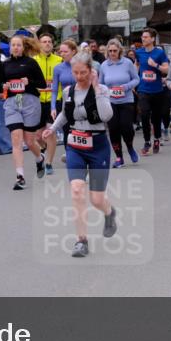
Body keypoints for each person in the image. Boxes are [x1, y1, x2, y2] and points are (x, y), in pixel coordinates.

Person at [42, 52, 118, 257]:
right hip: (75, 145)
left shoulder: (102, 90)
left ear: (91, 71)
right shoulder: (69, 91)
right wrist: (54, 128)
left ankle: (110, 213)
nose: (79, 76)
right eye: (75, 72)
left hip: (98, 146)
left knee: (96, 199)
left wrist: (95, 88)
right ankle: (81, 241)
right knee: (76, 191)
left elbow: (106, 115)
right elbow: (65, 114)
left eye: (83, 72)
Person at [2, 35, 48, 190]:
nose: (15, 47)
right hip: (12, 102)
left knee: (29, 141)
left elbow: (41, 84)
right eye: (13, 45)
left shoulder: (31, 63)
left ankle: (39, 157)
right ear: (10, 47)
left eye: (18, 45)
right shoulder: (5, 64)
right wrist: (4, 86)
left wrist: (29, 82)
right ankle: (20, 176)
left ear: (23, 47)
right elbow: (0, 84)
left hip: (30, 102)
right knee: (16, 139)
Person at [98, 39, 139, 167]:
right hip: (111, 102)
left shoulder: (127, 63)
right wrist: (104, 93)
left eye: (115, 50)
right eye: (110, 51)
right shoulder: (104, 65)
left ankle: (130, 147)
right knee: (114, 129)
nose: (112, 53)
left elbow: (136, 79)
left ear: (120, 50)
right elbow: (101, 84)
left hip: (126, 100)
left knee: (126, 127)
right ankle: (119, 157)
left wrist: (126, 87)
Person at [136, 28, 170, 156]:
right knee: (144, 115)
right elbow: (136, 67)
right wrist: (135, 79)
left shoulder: (159, 53)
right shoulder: (139, 52)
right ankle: (146, 142)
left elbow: (166, 70)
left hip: (157, 90)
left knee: (156, 117)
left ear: (152, 39)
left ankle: (156, 138)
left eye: (145, 37)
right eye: (142, 36)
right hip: (143, 89)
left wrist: (155, 65)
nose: (143, 39)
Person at [34, 32, 63, 175]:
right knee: (39, 136)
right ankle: (44, 149)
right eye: (44, 41)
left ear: (52, 44)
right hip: (38, 101)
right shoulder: (33, 61)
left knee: (51, 133)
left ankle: (49, 163)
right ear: (39, 44)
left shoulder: (59, 60)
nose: (47, 44)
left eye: (49, 42)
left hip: (54, 100)